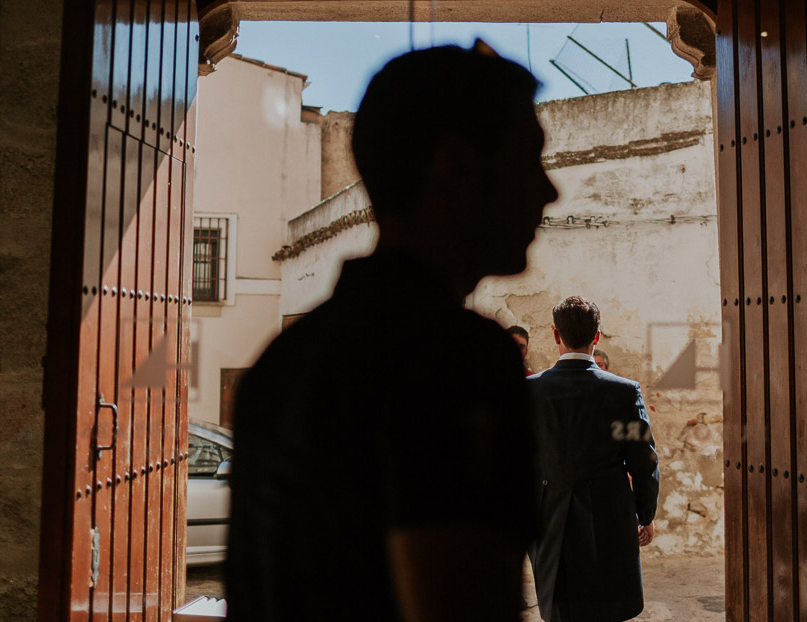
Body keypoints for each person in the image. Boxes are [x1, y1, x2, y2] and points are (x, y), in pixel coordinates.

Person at [227, 42, 559, 622]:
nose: (548, 191)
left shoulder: (284, 360)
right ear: (455, 168)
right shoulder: (455, 357)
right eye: (529, 159)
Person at [527, 296, 659, 622]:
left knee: (560, 608)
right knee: (606, 605)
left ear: (556, 334)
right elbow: (642, 460)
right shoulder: (624, 391)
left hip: (548, 516)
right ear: (597, 335)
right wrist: (644, 513)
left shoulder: (529, 391)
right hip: (609, 516)